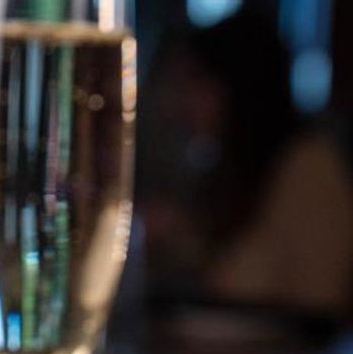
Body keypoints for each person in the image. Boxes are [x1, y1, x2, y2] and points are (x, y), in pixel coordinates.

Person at [140, 10, 353, 318]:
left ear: (235, 86)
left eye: (194, 84)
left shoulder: (308, 167)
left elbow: (321, 303)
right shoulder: (226, 171)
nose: (178, 104)